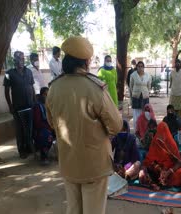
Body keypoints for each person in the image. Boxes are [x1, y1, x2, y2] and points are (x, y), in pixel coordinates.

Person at [46, 36, 122, 214]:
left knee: (73, 209)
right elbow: (116, 125)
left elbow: (51, 123)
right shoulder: (94, 87)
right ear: (86, 61)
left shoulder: (54, 88)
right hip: (93, 165)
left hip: (68, 161)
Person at [4, 51, 35, 159]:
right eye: (18, 58)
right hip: (17, 106)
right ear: (14, 60)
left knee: (30, 128)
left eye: (22, 58)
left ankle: (29, 147)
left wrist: (34, 102)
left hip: (30, 104)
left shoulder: (29, 72)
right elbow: (6, 91)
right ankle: (21, 150)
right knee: (20, 129)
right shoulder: (8, 73)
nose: (20, 60)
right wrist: (10, 105)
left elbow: (31, 87)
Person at [139, 122, 181, 190]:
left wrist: (168, 172)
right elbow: (148, 160)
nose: (160, 137)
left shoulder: (171, 144)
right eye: (159, 134)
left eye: (163, 134)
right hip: (156, 169)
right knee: (143, 174)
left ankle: (159, 182)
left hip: (169, 171)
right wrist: (145, 170)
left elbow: (179, 163)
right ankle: (156, 182)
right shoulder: (155, 142)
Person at [33, 87, 55, 165]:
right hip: (41, 128)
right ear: (42, 95)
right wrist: (50, 126)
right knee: (47, 136)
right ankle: (43, 157)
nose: (47, 96)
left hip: (50, 126)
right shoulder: (38, 106)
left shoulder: (49, 104)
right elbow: (37, 123)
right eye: (46, 95)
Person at [130, 61, 152, 130]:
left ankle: (144, 129)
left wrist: (145, 92)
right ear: (136, 67)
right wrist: (134, 93)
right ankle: (137, 129)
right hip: (136, 96)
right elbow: (131, 86)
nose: (140, 68)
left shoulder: (148, 75)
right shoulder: (133, 75)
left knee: (145, 113)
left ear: (143, 67)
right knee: (136, 113)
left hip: (145, 96)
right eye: (139, 66)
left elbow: (149, 86)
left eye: (141, 66)